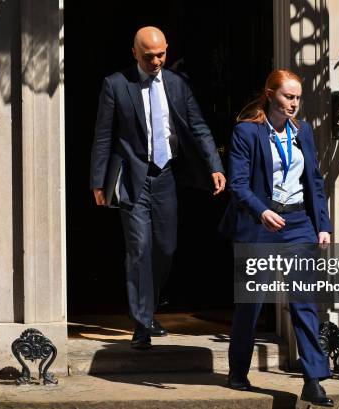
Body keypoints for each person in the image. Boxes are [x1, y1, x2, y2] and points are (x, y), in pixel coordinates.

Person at [90, 26, 226, 349]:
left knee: (165, 248)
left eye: (161, 54)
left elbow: (199, 127)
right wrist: (98, 181)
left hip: (166, 176)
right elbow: (103, 136)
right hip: (132, 177)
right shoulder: (116, 85)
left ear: (167, 48)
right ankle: (141, 323)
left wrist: (215, 167)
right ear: (134, 53)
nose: (156, 61)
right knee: (139, 249)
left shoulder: (178, 85)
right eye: (149, 56)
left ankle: (148, 309)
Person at [219, 69, 334, 407]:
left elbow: (314, 181)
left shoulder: (303, 131)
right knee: (251, 304)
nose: (294, 104)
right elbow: (238, 184)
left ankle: (314, 379)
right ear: (269, 95)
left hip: (298, 222)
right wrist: (261, 212)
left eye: (297, 98)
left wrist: (322, 225)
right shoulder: (247, 132)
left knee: (304, 303)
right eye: (287, 97)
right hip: (261, 224)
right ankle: (238, 369)